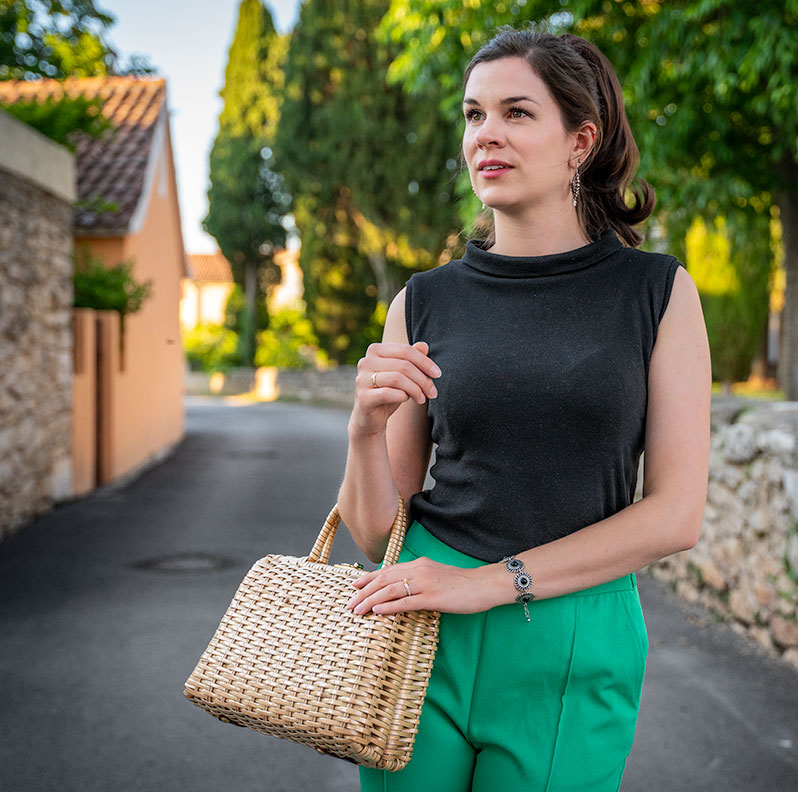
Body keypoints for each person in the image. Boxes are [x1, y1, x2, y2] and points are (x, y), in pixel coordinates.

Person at [337, 24, 711, 792]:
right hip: (419, 628)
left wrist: (486, 583)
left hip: (570, 636)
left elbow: (676, 515)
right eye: (474, 115)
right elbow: (378, 532)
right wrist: (363, 432)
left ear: (581, 141)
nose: (487, 136)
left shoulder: (656, 292)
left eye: (516, 112)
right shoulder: (422, 300)